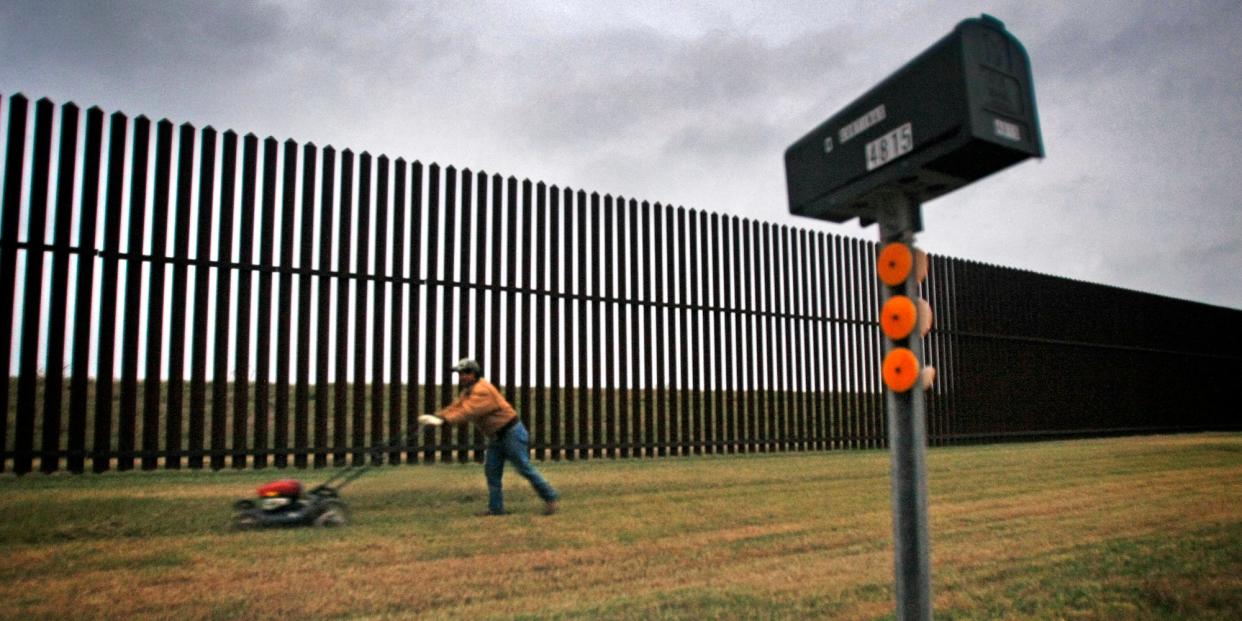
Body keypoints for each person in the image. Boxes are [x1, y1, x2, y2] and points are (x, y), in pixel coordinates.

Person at [420, 358, 560, 516]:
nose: (461, 376)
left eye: (465, 373)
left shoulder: (482, 390)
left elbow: (468, 411)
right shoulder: (468, 391)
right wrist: (438, 416)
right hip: (496, 436)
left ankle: (550, 497)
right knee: (492, 471)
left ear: (474, 373)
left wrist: (444, 420)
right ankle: (496, 509)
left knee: (523, 467)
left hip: (511, 433)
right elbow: (457, 407)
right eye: (459, 373)